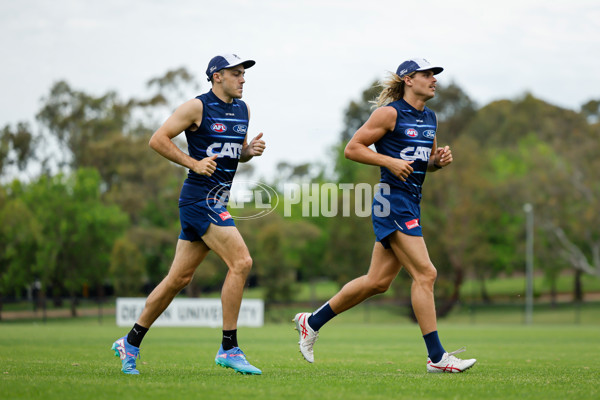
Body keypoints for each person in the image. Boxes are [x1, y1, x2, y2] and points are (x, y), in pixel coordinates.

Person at [293, 58, 476, 373]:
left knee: (376, 282)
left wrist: (437, 161)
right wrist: (389, 162)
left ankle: (312, 321)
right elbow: (353, 148)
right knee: (426, 274)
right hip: (391, 201)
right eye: (427, 74)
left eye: (435, 75)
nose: (434, 79)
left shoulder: (431, 117)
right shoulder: (389, 113)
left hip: (410, 201)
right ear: (408, 79)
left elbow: (424, 163)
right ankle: (437, 357)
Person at [112, 53, 266, 375]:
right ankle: (229, 348)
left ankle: (131, 341)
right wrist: (193, 163)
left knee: (177, 279)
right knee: (242, 262)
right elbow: (157, 140)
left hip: (216, 202)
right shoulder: (196, 107)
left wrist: (247, 153)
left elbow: (230, 153)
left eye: (243, 73)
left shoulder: (243, 110)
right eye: (236, 73)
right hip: (199, 200)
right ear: (216, 77)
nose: (242, 79)